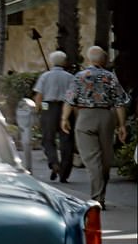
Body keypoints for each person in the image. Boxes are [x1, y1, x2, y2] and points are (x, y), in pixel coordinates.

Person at [61, 46, 130, 208]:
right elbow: (120, 103)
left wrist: (64, 118)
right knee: (106, 158)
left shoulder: (79, 76)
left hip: (85, 117)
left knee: (92, 159)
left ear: (90, 59)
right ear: (104, 60)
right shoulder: (110, 77)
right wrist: (122, 125)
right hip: (106, 117)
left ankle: (98, 198)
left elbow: (70, 100)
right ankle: (99, 195)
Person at [33, 51, 76, 182]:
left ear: (52, 61)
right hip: (66, 108)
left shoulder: (45, 76)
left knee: (48, 139)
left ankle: (53, 162)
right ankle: (64, 173)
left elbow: (39, 96)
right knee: (67, 141)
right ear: (64, 62)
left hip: (48, 107)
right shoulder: (70, 77)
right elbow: (74, 96)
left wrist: (38, 110)